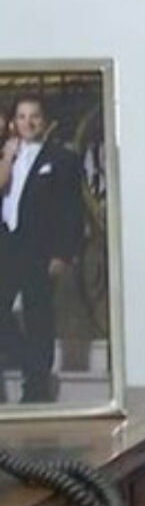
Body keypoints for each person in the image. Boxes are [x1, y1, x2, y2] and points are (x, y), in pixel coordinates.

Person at [0, 94, 86, 404]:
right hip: (7, 245)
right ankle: (29, 363)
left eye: (34, 116)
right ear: (14, 122)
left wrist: (62, 253)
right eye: (22, 116)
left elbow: (72, 210)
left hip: (40, 249)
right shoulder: (6, 154)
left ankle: (35, 389)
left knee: (39, 316)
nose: (28, 122)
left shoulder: (62, 159)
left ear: (45, 120)